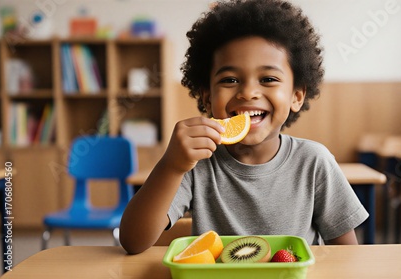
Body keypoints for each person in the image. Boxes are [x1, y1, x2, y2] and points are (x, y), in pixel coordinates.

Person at [120, 0, 368, 254]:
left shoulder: (315, 162)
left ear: (296, 95)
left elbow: (347, 257)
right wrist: (171, 166)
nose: (248, 92)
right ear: (207, 96)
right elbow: (133, 241)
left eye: (268, 79)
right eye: (230, 79)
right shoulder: (195, 163)